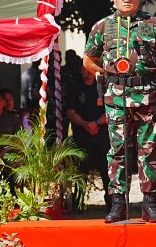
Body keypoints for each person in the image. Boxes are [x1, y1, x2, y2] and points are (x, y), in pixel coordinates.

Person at [83, 0, 156, 224]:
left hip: (148, 96)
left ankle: (149, 204)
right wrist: (108, 75)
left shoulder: (153, 25)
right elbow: (88, 60)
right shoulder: (102, 27)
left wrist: (149, 76)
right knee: (118, 152)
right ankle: (117, 204)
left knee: (149, 150)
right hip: (116, 98)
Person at [66, 66, 111, 212]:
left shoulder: (103, 87)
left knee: (106, 170)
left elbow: (111, 110)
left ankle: (111, 203)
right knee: (81, 170)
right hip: (82, 135)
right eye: (84, 69)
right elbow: (70, 112)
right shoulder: (75, 88)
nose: (88, 72)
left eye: (90, 69)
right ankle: (78, 203)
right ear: (81, 70)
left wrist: (96, 123)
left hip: (102, 134)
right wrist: (86, 125)